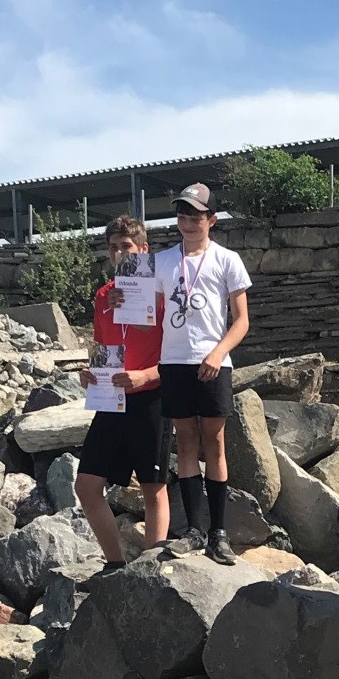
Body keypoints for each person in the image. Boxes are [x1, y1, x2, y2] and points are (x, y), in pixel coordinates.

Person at [152, 182, 251, 565]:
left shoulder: (228, 260)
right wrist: (116, 296)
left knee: (216, 443)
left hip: (213, 362)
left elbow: (241, 321)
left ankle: (219, 532)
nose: (188, 223)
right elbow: (140, 306)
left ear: (212, 220)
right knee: (186, 441)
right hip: (174, 360)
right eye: (182, 216)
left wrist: (218, 352)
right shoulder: (161, 261)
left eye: (196, 216)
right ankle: (194, 531)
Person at [76, 215, 169, 570]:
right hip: (112, 400)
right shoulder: (102, 295)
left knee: (152, 486)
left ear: (143, 250)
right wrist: (90, 374)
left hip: (152, 397)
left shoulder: (163, 294)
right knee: (86, 486)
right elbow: (103, 346)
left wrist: (145, 375)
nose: (118, 253)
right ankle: (115, 565)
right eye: (113, 247)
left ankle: (152, 569)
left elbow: (178, 358)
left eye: (126, 246)